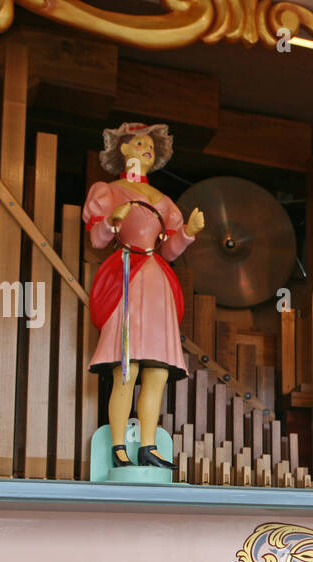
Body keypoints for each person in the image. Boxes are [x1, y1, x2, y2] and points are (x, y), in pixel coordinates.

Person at [83, 121, 205, 468]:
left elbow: (169, 249)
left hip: (156, 281)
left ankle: (148, 445)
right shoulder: (109, 191)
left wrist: (189, 234)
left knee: (159, 371)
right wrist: (111, 222)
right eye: (140, 143)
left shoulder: (163, 201)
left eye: (150, 146)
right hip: (127, 275)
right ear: (123, 149)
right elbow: (98, 240)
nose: (147, 149)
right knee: (128, 367)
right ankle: (118, 446)